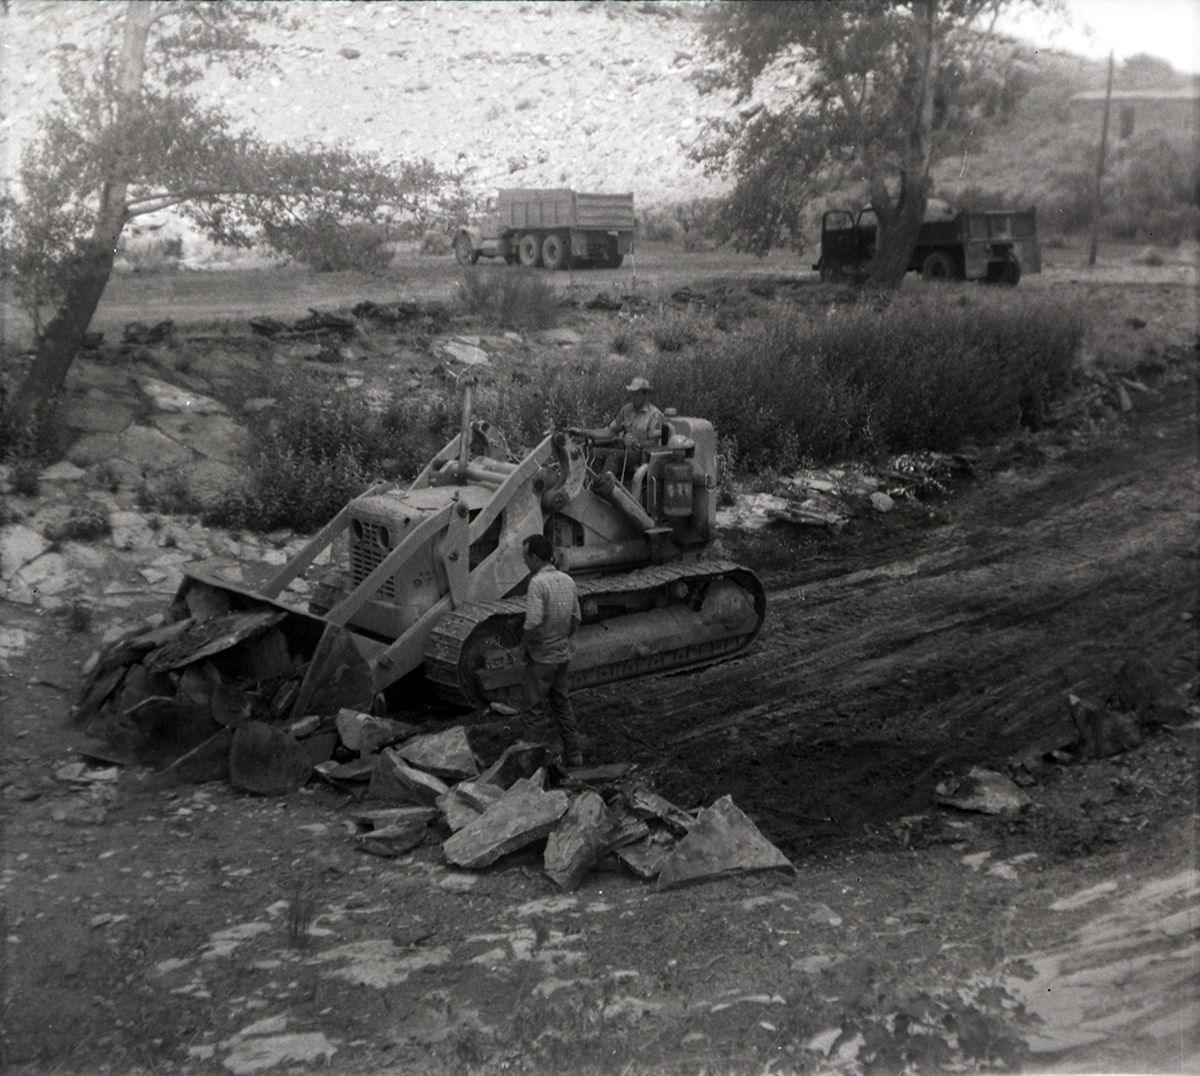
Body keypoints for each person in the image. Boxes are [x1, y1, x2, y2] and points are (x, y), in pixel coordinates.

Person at [519, 533, 584, 767]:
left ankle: (532, 763)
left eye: (526, 558)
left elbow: (534, 622)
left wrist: (523, 647)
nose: (525, 563)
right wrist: (561, 639)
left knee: (533, 711)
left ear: (535, 557)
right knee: (562, 705)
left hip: (541, 658)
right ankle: (574, 754)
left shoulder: (537, 583)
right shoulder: (568, 580)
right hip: (561, 656)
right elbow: (576, 619)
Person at [573, 376, 664, 479]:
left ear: (645, 395)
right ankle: (594, 485)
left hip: (642, 456)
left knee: (614, 455)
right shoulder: (627, 410)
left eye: (637, 394)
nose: (633, 397)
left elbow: (655, 443)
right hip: (625, 452)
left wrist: (636, 443)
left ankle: (605, 487)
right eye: (632, 393)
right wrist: (583, 432)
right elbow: (610, 431)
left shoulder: (655, 415)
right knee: (594, 453)